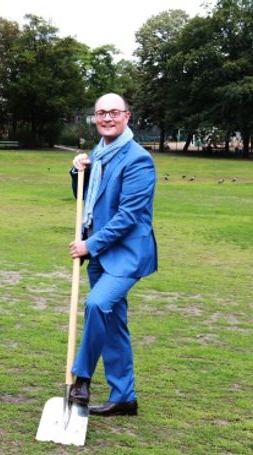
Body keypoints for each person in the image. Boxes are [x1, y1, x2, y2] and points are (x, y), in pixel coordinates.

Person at [66, 93, 157, 417]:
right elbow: (87, 198)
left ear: (127, 116)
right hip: (102, 255)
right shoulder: (100, 153)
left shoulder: (138, 159)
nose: (107, 118)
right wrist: (78, 172)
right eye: (101, 113)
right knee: (113, 324)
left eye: (114, 112)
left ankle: (82, 379)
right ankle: (124, 397)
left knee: (97, 305)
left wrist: (90, 245)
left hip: (127, 255)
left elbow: (128, 216)